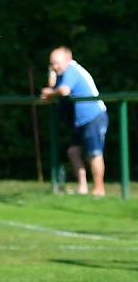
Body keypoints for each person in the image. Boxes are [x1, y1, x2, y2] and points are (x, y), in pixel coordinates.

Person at [41, 46, 108, 196]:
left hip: (94, 117)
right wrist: (52, 74)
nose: (55, 66)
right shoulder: (61, 73)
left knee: (94, 154)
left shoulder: (71, 70)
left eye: (57, 63)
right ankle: (83, 187)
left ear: (68, 59)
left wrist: (50, 93)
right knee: (73, 152)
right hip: (80, 120)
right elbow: (53, 88)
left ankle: (99, 190)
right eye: (52, 64)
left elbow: (63, 90)